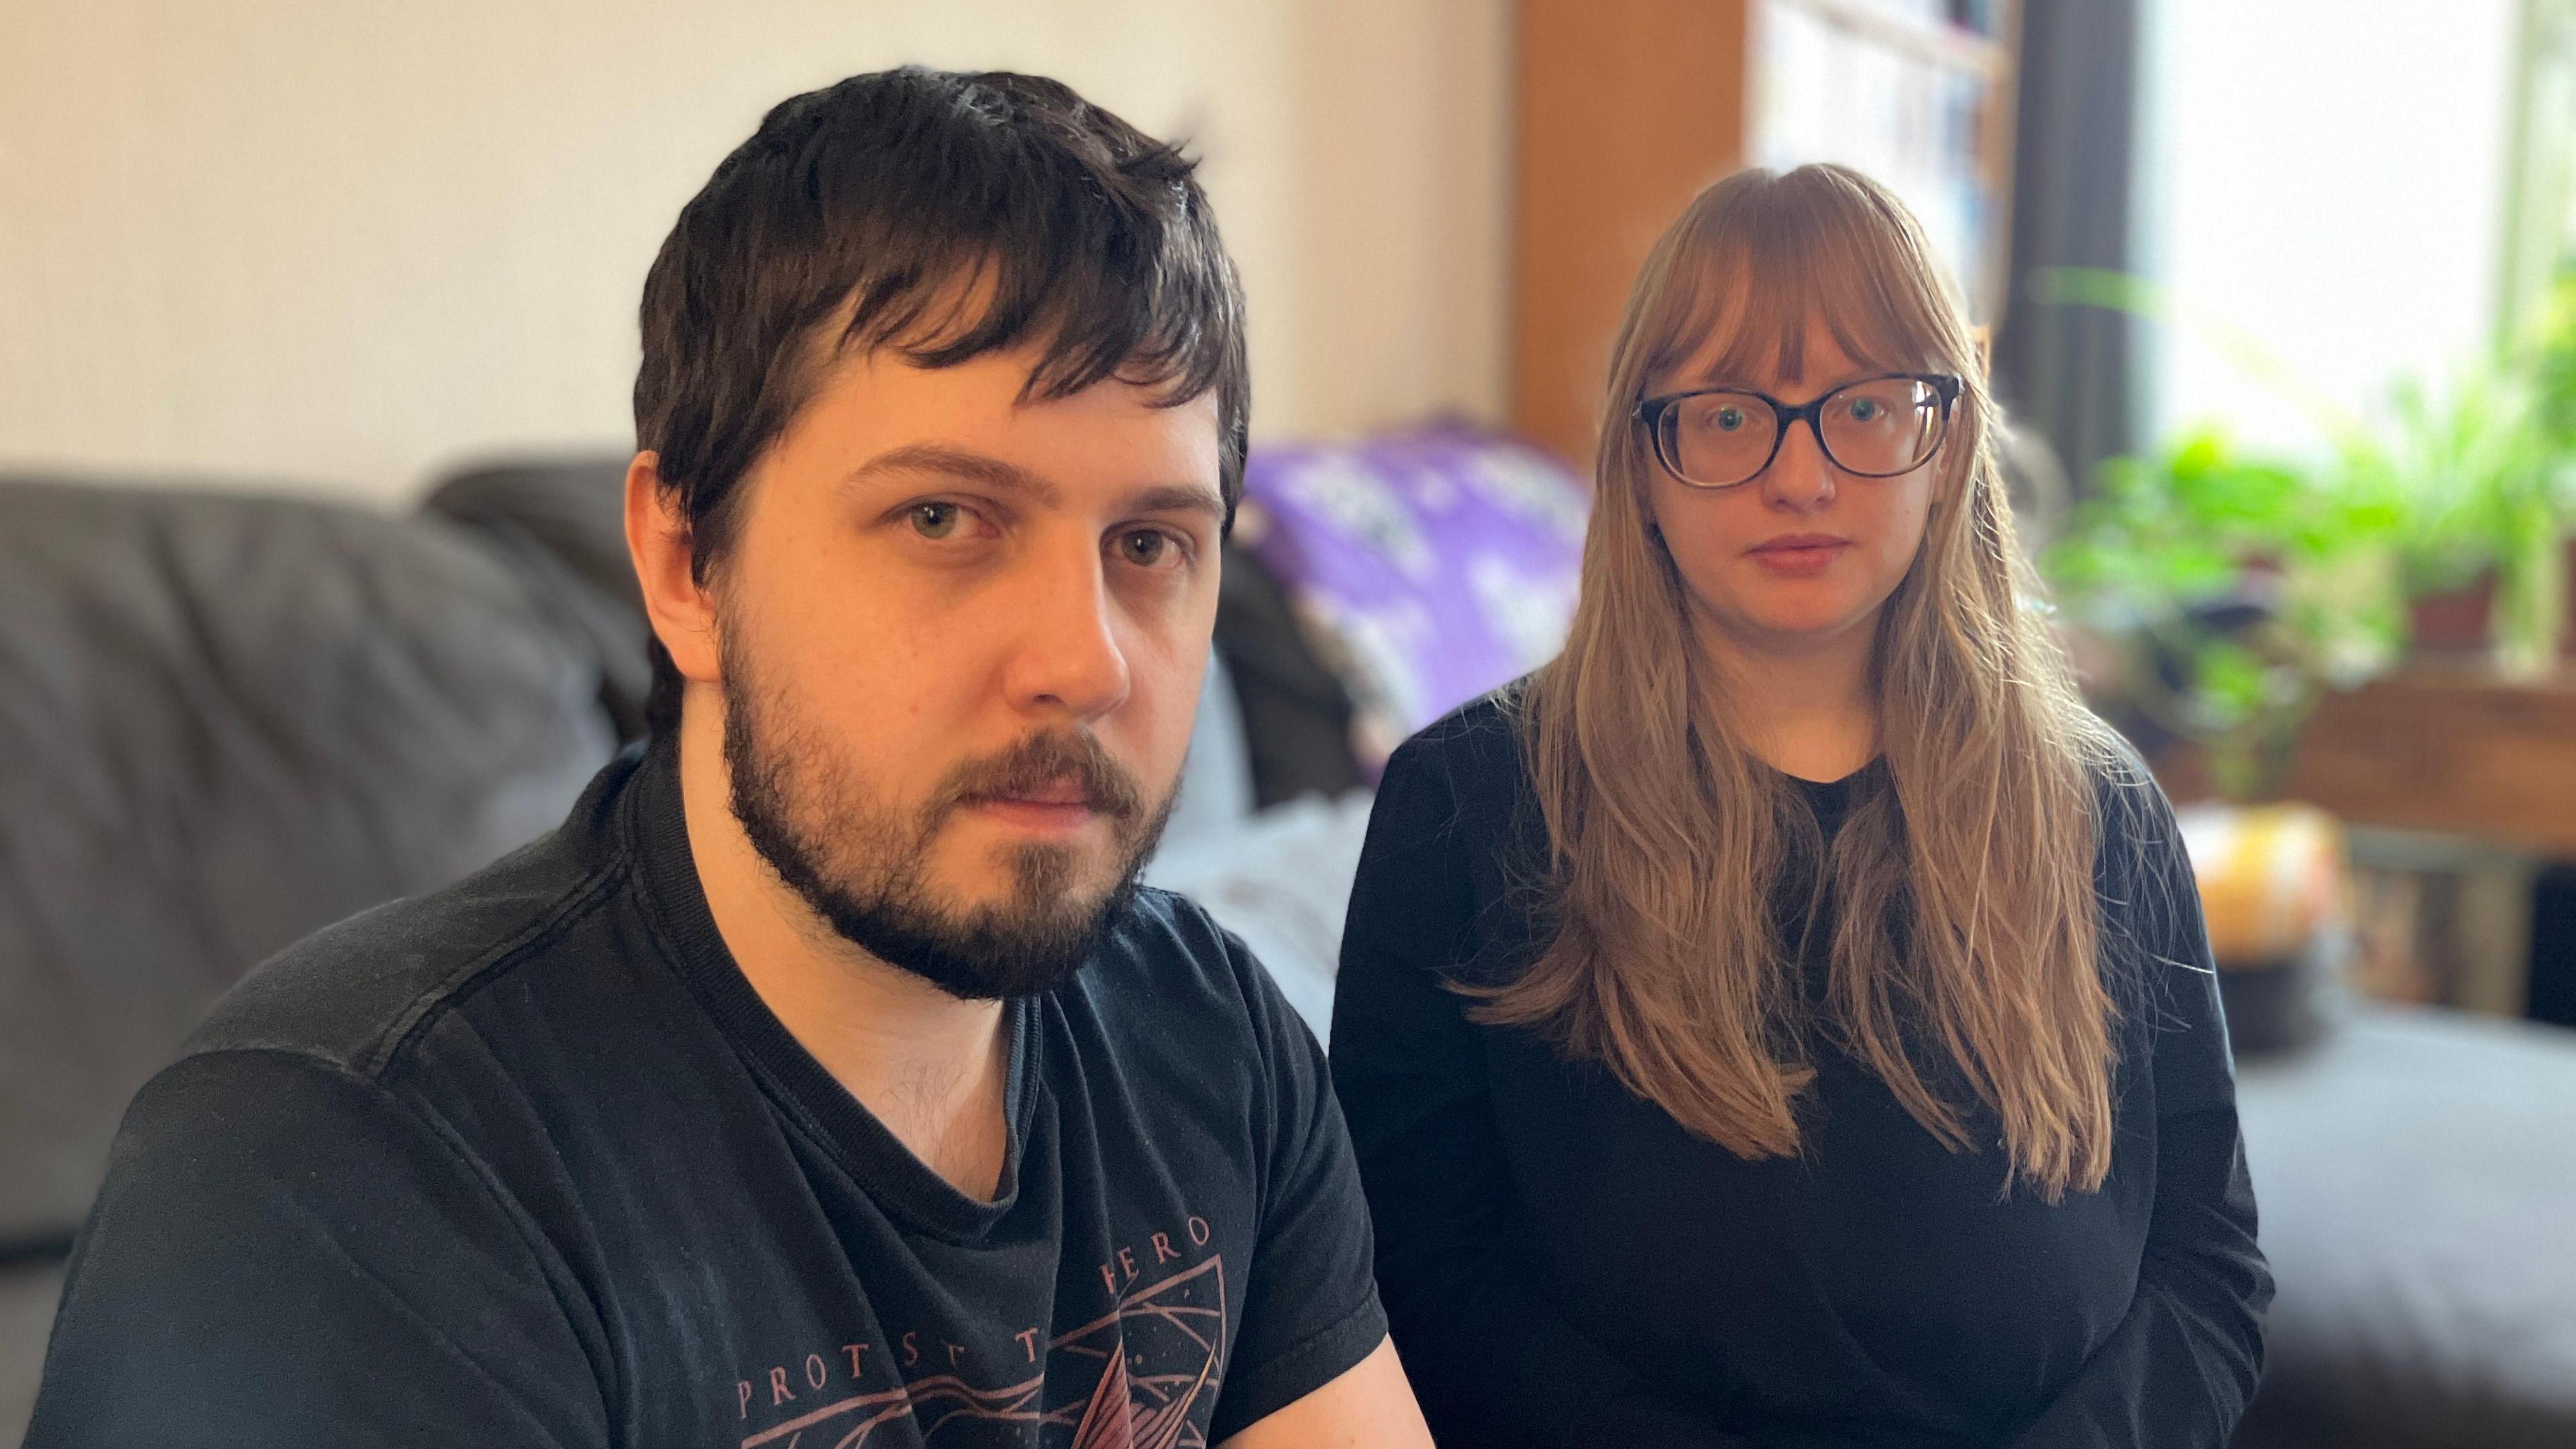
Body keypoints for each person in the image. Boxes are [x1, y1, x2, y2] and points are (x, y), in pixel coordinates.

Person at [30, 68, 1432, 1449]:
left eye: (1149, 545)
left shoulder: (1215, 1042)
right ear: (687, 563)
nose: (1087, 661)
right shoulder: (341, 1185)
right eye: (944, 519)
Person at [1331, 164, 2271, 1448]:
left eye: (1867, 407)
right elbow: (1421, 1277)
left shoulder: (2101, 807)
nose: (1802, 476)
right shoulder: (1470, 807)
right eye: (1727, 415)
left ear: (1947, 446)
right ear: (1644, 459)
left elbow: (2209, 1261)